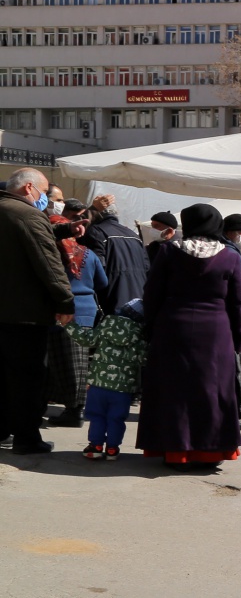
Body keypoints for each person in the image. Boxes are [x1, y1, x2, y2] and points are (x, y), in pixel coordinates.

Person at [136, 205, 241, 468]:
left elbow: (152, 295)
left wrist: (151, 328)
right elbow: (238, 303)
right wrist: (238, 338)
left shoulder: (168, 252)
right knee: (212, 390)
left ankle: (175, 451)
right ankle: (210, 452)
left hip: (173, 326)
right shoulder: (230, 257)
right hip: (216, 331)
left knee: (174, 389)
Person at [0, 168, 76, 456]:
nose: (44, 198)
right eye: (43, 193)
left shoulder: (11, 211)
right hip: (24, 314)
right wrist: (65, 301)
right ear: (30, 188)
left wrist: (64, 229)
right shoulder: (28, 215)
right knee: (27, 379)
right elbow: (48, 262)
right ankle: (27, 438)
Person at [45, 215, 108, 429]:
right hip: (87, 311)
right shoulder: (89, 254)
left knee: (66, 363)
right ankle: (76, 408)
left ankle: (74, 410)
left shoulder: (51, 255)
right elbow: (103, 282)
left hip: (62, 312)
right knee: (79, 364)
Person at [66, 299, 147, 460]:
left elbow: (86, 340)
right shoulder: (139, 335)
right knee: (116, 418)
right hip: (123, 390)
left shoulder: (106, 325)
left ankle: (95, 446)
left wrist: (70, 325)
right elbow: (144, 359)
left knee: (96, 416)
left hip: (98, 385)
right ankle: (112, 448)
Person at [79, 194, 148, 315]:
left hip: (111, 300)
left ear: (97, 213)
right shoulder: (134, 235)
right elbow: (147, 267)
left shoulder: (96, 232)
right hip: (139, 301)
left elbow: (96, 268)